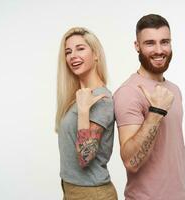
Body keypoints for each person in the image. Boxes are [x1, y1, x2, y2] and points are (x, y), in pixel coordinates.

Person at [113, 14, 185, 200]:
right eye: (150, 43)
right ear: (137, 46)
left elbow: (177, 147)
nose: (159, 50)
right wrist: (156, 112)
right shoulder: (129, 92)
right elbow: (131, 162)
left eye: (165, 42)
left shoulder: (174, 90)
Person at [55, 27, 117, 200]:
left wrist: (83, 112)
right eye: (68, 51)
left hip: (92, 193)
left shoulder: (102, 99)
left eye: (80, 48)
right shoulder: (79, 97)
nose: (73, 55)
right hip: (72, 190)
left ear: (95, 54)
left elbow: (84, 158)